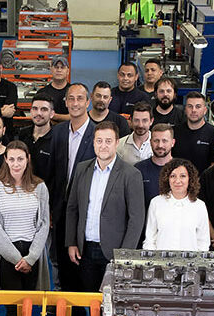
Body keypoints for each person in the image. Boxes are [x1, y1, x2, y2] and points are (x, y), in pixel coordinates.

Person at [66, 121, 146, 292]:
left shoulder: (131, 174)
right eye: (99, 141)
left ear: (117, 143)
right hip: (85, 249)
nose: (103, 146)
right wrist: (71, 242)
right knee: (88, 299)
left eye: (108, 141)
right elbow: (72, 208)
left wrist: (124, 255)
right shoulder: (82, 169)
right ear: (94, 142)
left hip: (114, 251)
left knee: (112, 301)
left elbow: (137, 219)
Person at [0, 141, 52, 316]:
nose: (16, 164)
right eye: (12, 159)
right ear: (6, 160)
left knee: (29, 308)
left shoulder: (40, 187)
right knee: (13, 311)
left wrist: (31, 258)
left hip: (32, 253)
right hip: (7, 255)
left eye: (20, 159)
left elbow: (44, 224)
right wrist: (16, 259)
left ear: (28, 159)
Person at [48, 83, 95, 297]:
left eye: (80, 98)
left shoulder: (97, 134)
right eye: (71, 99)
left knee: (85, 268)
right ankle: (68, 313)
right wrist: (51, 208)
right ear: (65, 102)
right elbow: (52, 173)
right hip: (61, 211)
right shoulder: (58, 132)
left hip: (86, 213)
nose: (75, 103)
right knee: (63, 266)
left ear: (88, 102)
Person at [143, 159, 210, 251]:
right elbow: (150, 240)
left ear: (190, 179)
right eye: (173, 176)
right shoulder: (156, 203)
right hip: (161, 259)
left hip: (190, 260)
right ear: (167, 179)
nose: (177, 181)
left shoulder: (199, 206)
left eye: (183, 176)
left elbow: (203, 242)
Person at [172, 92, 214, 174]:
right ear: (185, 109)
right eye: (190, 106)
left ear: (205, 110)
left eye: (198, 107)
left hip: (203, 180)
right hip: (178, 180)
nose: (193, 110)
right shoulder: (175, 132)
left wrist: (203, 179)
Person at [134, 124, 176, 208]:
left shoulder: (182, 169)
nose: (160, 145)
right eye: (156, 141)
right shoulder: (138, 169)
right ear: (150, 142)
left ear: (172, 142)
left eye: (164, 141)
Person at [16, 92, 54, 182]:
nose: (38, 113)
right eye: (35, 109)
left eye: (44, 109)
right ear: (31, 111)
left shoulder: (57, 138)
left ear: (52, 114)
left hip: (47, 189)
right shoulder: (22, 134)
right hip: (24, 187)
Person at [36, 56, 71, 122]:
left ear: (68, 71)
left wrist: (54, 116)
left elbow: (78, 116)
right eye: (56, 67)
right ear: (51, 70)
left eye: (62, 67)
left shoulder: (74, 92)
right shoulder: (42, 93)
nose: (59, 70)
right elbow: (39, 116)